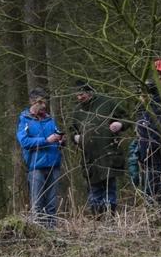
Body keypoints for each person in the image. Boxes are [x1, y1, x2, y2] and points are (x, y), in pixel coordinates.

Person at [69, 79, 128, 217]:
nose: (80, 97)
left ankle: (110, 218)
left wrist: (120, 124)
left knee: (110, 189)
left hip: (109, 154)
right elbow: (72, 130)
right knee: (94, 191)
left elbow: (126, 117)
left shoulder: (107, 102)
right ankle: (97, 219)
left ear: (90, 92)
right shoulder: (77, 111)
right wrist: (75, 138)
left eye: (82, 94)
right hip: (89, 158)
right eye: (77, 95)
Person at [16, 87, 63, 228]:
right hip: (35, 167)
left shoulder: (50, 119)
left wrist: (61, 140)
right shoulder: (24, 120)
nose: (44, 105)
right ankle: (39, 232)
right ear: (33, 102)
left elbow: (55, 136)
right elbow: (24, 142)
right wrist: (46, 140)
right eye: (40, 102)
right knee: (37, 204)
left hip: (54, 165)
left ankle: (52, 232)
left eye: (45, 102)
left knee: (52, 205)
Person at [134, 78, 161, 203]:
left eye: (142, 92)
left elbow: (159, 133)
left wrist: (149, 150)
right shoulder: (143, 109)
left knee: (158, 189)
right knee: (150, 190)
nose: (140, 95)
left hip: (158, 157)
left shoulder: (157, 107)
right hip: (148, 158)